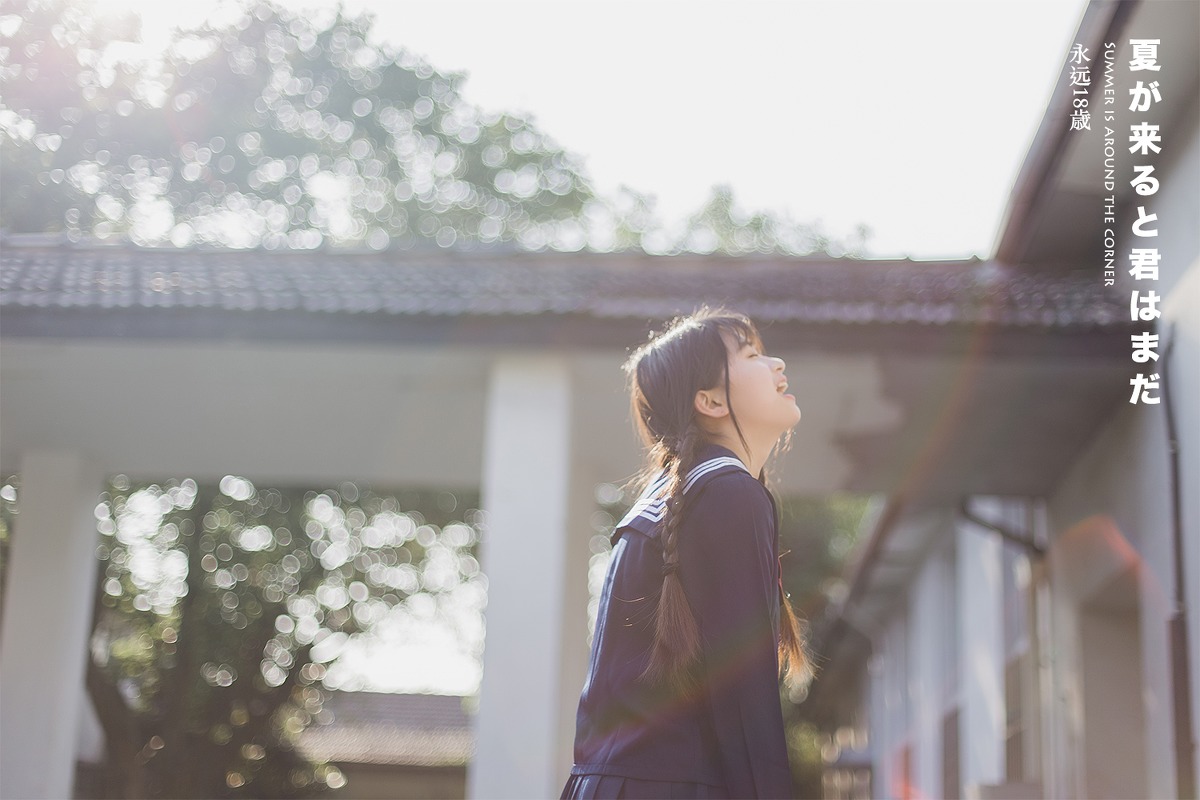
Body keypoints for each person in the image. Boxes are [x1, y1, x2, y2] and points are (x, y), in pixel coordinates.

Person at [561, 306, 811, 800]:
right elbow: (743, 700)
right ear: (711, 401)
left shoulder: (679, 494)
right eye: (753, 355)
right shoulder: (726, 493)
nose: (777, 364)